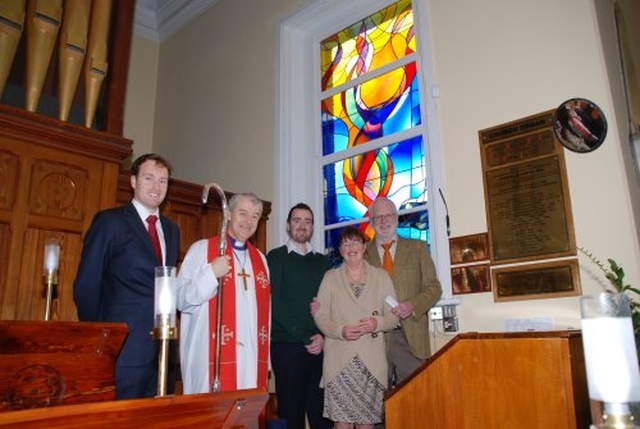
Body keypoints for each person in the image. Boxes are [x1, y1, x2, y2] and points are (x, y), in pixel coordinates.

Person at [74, 153, 181, 399]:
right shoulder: (109, 222)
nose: (156, 187)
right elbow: (86, 286)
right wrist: (102, 339)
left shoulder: (172, 230)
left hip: (163, 350)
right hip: (123, 349)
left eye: (163, 181)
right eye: (149, 178)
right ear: (133, 181)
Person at [177, 192, 271, 394]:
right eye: (243, 213)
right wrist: (210, 273)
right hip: (210, 360)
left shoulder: (261, 260)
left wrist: (267, 359)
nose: (249, 221)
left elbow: (267, 317)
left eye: (255, 216)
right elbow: (181, 300)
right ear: (228, 214)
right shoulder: (201, 250)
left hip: (251, 361)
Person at [313, 226, 399, 429]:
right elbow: (320, 314)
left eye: (355, 242)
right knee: (341, 424)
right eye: (345, 243)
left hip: (371, 362)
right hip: (339, 361)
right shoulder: (330, 278)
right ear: (340, 250)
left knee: (366, 425)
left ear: (364, 245)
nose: (350, 247)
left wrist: (376, 323)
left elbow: (393, 316)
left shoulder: (381, 277)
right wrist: (339, 331)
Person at [364, 197, 443, 387]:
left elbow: (434, 288)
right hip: (373, 337)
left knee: (413, 398)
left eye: (388, 215)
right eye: (378, 217)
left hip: (409, 335)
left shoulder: (418, 248)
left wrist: (412, 305)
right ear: (371, 222)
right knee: (375, 404)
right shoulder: (361, 254)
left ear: (397, 218)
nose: (384, 221)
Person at [267, 203, 332, 429]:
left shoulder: (322, 262)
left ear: (312, 227)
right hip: (288, 348)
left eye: (307, 221)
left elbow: (329, 303)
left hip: (321, 347)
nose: (302, 226)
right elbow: (274, 302)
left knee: (322, 415)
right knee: (291, 414)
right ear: (288, 225)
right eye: (297, 220)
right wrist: (306, 336)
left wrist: (323, 336)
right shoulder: (276, 258)